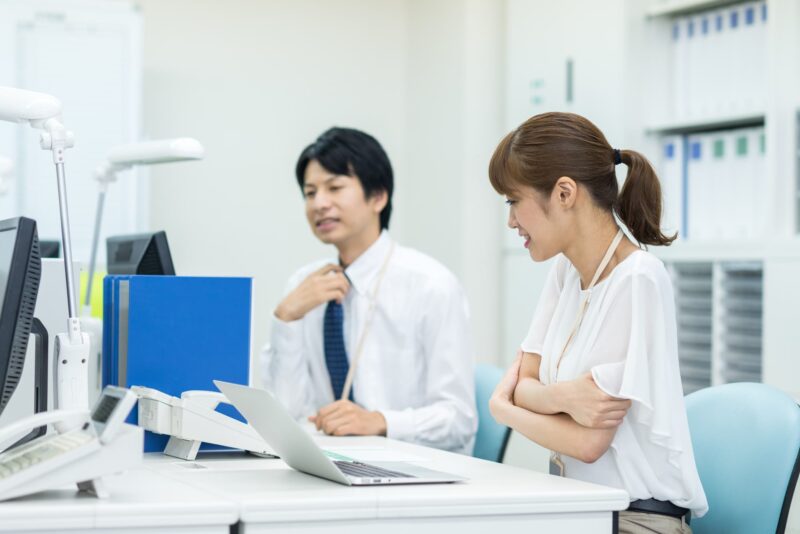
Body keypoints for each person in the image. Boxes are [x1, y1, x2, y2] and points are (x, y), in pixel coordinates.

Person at [487, 112, 708, 533]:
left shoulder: (638, 279)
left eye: (513, 201)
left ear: (564, 193)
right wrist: (563, 397)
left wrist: (504, 410)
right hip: (580, 511)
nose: (511, 221)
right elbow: (521, 384)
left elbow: (587, 443)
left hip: (635, 521)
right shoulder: (565, 271)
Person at [261, 127, 476, 454]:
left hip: (413, 468)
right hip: (323, 463)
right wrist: (286, 318)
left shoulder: (430, 284)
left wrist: (380, 421)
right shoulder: (303, 286)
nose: (319, 203)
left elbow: (459, 420)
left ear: (378, 196)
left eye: (334, 187)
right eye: (310, 192)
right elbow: (286, 415)